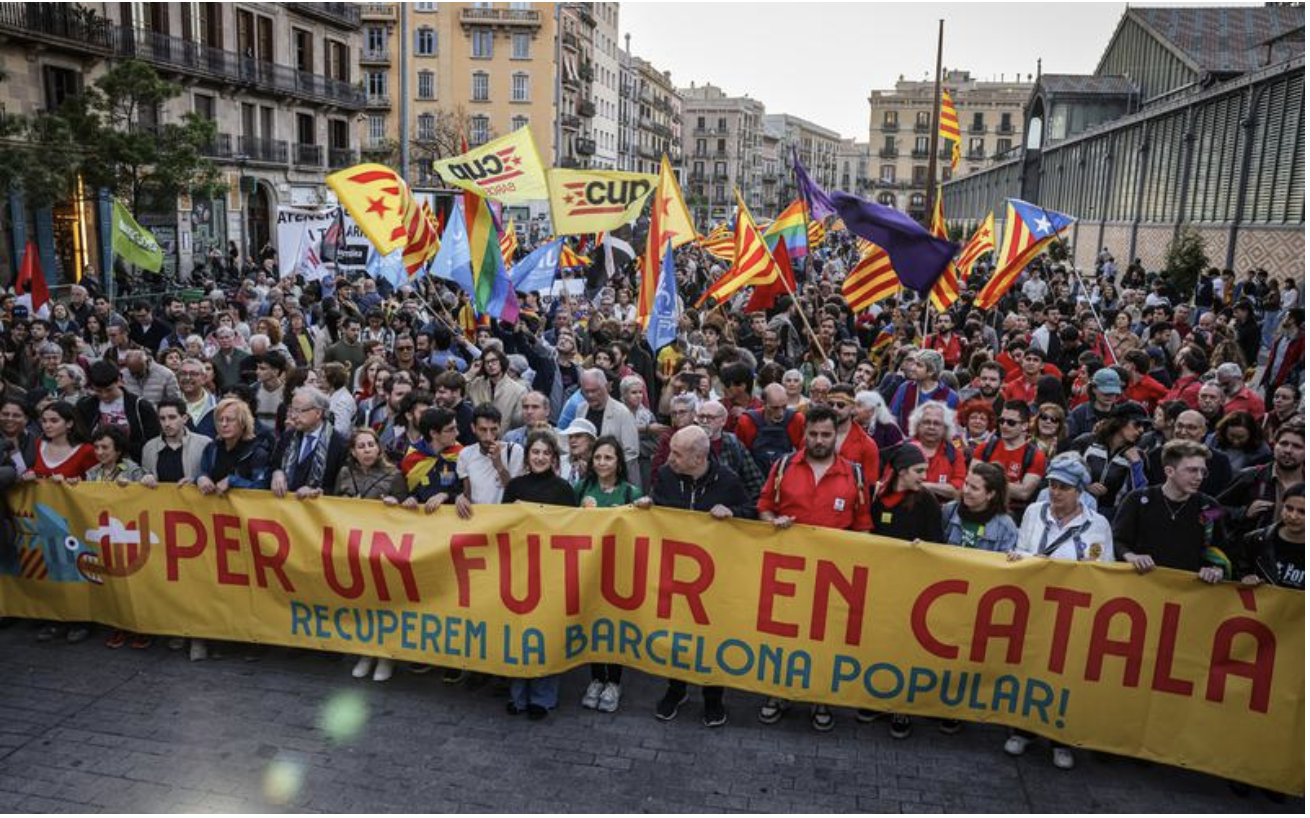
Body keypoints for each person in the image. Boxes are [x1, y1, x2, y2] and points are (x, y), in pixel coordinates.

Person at [755, 405, 872, 731]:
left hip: (834, 577)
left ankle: (821, 697)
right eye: (814, 434)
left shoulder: (856, 475)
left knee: (826, 639)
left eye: (826, 434)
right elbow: (764, 506)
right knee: (783, 637)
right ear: (803, 434)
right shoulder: (781, 467)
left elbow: (863, 526)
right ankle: (778, 693)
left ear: (837, 435)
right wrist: (772, 521)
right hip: (787, 574)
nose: (819, 440)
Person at [636, 426, 754, 728]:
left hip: (715, 579)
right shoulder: (665, 475)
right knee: (677, 633)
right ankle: (676, 690)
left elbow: (752, 512)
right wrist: (648, 506)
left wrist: (732, 511)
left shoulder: (728, 480)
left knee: (711, 638)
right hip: (675, 575)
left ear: (698, 457)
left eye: (677, 453)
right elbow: (658, 506)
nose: (669, 458)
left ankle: (713, 698)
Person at [1006, 458, 1115, 770]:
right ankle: (1023, 730)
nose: (1055, 491)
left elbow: (1104, 569)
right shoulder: (1032, 512)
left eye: (1063, 487)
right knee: (1029, 666)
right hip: (1036, 606)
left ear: (1079, 491)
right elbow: (1021, 548)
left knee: (1064, 674)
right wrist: (1025, 557)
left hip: (1074, 611)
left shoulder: (1098, 524)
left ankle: (1060, 738)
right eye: (1052, 484)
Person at [498, 430, 577, 719]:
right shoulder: (515, 487)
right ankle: (517, 695)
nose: (540, 457)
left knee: (547, 633)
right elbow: (503, 526)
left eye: (546, 453)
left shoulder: (564, 490)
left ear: (554, 458)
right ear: (527, 456)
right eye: (535, 452)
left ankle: (543, 698)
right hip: (519, 567)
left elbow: (572, 532)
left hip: (552, 569)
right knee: (519, 632)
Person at [868, 442, 942, 740]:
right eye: (919, 471)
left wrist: (922, 551)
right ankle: (876, 699)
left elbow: (937, 544)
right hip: (881, 585)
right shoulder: (878, 497)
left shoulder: (927, 502)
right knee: (880, 642)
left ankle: (902, 707)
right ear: (901, 471)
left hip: (913, 589)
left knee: (905, 647)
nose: (925, 476)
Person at [573, 435, 643, 713]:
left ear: (618, 462)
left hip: (618, 574)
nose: (602, 463)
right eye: (598, 457)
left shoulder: (631, 493)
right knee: (592, 625)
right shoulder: (581, 488)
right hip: (587, 570)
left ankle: (614, 682)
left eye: (608, 458)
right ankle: (596, 679)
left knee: (614, 629)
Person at [336, 428, 409, 682]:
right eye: (361, 446)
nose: (367, 450)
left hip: (383, 550)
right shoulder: (345, 473)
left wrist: (394, 505)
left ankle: (387, 656)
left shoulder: (394, 476)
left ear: (379, 448)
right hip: (354, 547)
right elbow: (332, 506)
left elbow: (406, 513)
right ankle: (365, 652)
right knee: (362, 603)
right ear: (353, 452)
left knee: (385, 602)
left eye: (371, 445)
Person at [1113, 440, 1228, 581]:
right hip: (1141, 586)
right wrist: (1131, 556)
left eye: (1202, 471)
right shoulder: (1138, 500)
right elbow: (1117, 540)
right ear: (1169, 471)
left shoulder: (1210, 506)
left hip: (1188, 592)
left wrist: (1216, 568)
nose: (1199, 477)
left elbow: (1221, 547)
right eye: (1192, 470)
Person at [271, 388, 350, 501]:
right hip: (285, 511)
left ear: (318, 413)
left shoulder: (339, 445)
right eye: (292, 410)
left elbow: (341, 488)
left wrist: (317, 492)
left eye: (299, 411)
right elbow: (274, 464)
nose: (293, 416)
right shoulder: (287, 437)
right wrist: (277, 473)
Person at [1073, 402, 1149, 520]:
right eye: (1137, 424)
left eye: (1144, 426)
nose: (1141, 430)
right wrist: (1085, 486)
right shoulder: (1085, 442)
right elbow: (1064, 474)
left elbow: (1141, 496)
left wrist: (1136, 465)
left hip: (1112, 518)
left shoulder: (1138, 456)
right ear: (1120, 422)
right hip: (1077, 510)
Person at [76, 360, 160, 462]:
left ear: (119, 380)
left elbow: (153, 440)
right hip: (95, 464)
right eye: (98, 391)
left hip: (132, 463)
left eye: (109, 390)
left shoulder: (140, 406)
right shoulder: (85, 406)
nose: (104, 395)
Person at [972, 400, 1046, 512]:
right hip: (981, 508)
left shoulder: (1035, 456)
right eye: (1001, 421)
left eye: (1011, 422)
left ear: (1025, 425)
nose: (1004, 426)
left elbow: (1024, 493)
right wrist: (1011, 485)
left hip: (1012, 514)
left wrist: (985, 482)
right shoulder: (984, 448)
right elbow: (972, 482)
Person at [455, 403, 524, 518]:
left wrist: (499, 466)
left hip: (506, 519)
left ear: (500, 427)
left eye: (493, 429)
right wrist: (460, 498)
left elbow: (516, 493)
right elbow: (467, 493)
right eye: (483, 429)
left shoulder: (514, 451)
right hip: (478, 520)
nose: (488, 436)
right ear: (473, 428)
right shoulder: (465, 454)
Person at [693, 400, 764, 501]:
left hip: (727, 507)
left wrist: (743, 507)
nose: (704, 421)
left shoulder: (734, 444)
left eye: (710, 417)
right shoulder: (689, 442)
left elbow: (755, 483)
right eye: (701, 417)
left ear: (723, 421)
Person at [941, 462, 1019, 553]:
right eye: (966, 484)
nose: (966, 491)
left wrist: (1013, 557)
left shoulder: (1006, 525)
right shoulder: (949, 510)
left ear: (990, 494)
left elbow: (1005, 562)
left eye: (974, 488)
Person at [1239, 483, 1304, 590]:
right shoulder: (1255, 540)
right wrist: (1244, 578)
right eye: (1288, 508)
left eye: (1303, 512)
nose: (1293, 516)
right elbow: (1235, 574)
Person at [141, 398, 212, 487]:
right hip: (160, 500)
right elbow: (143, 477)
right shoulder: (149, 447)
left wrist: (195, 480)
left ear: (185, 418)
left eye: (172, 417)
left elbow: (214, 476)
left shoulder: (204, 444)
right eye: (162, 418)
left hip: (194, 499)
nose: (167, 423)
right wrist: (146, 478)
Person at [735, 382, 806, 472]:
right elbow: (740, 457)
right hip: (755, 476)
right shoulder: (747, 422)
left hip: (788, 473)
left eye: (784, 407)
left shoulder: (797, 420)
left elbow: (804, 454)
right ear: (763, 403)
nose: (780, 413)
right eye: (775, 408)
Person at [906, 401, 965, 503]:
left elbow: (958, 490)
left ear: (945, 428)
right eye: (926, 422)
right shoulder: (904, 450)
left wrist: (923, 486)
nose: (931, 427)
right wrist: (942, 488)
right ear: (917, 425)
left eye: (937, 423)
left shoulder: (954, 454)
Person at [890, 350, 958, 430]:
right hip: (904, 440)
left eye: (919, 365)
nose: (913, 368)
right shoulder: (905, 387)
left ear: (931, 372)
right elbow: (892, 418)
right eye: (914, 364)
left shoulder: (951, 397)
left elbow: (951, 429)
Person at [1066, 369, 1122, 440]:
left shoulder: (1122, 415)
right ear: (1093, 389)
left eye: (1113, 392)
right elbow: (1069, 444)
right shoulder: (1079, 414)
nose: (1109, 396)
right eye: (1105, 392)